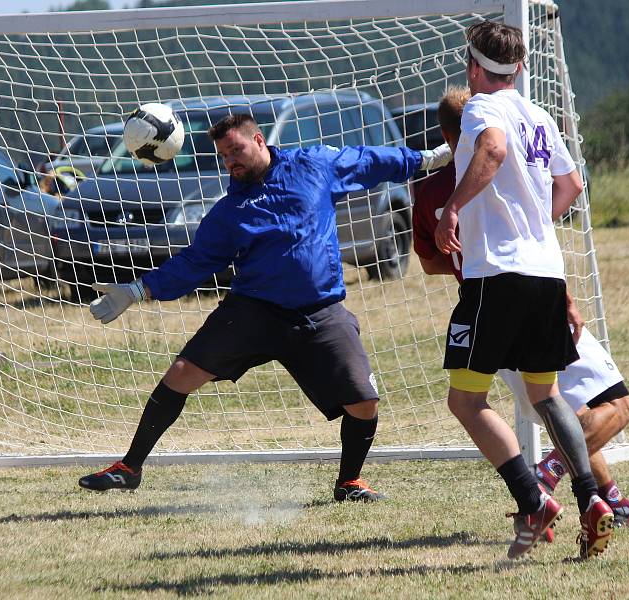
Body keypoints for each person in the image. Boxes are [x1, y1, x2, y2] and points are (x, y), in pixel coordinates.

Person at [77, 112, 451, 502]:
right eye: (224, 156)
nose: (231, 162)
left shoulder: (313, 166)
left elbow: (369, 160)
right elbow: (194, 262)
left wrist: (426, 159)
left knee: (364, 401)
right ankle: (129, 468)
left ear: (259, 141)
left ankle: (350, 482)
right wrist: (138, 291)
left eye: (235, 150)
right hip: (253, 311)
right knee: (181, 374)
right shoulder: (229, 211)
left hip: (319, 312)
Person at [413, 86, 629, 531]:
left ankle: (610, 502)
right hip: (536, 295)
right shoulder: (501, 167)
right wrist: (564, 298)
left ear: (444, 133)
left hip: (484, 309)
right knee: (614, 405)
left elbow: (430, 262)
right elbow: (558, 199)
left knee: (545, 407)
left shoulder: (430, 190)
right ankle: (544, 485)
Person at [433, 21, 612, 560]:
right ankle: (591, 499)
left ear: (472, 67)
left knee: (465, 399)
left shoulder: (482, 112)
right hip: (545, 274)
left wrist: (454, 208)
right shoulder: (539, 116)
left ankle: (532, 500)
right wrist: (535, 224)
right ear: (522, 67)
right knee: (546, 393)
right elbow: (573, 185)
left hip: (498, 276)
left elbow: (491, 150)